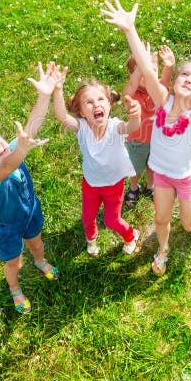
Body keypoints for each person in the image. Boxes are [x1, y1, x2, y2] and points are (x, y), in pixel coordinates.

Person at [101, 0, 191, 276]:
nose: (190, 78)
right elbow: (145, 66)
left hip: (185, 176)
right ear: (176, 78)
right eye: (185, 74)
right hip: (162, 173)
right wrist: (130, 30)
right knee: (161, 218)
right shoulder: (163, 100)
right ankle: (162, 249)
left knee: (188, 223)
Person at [0, 62, 64, 315]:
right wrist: (23, 149)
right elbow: (7, 167)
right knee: (14, 262)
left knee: (37, 244)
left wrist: (44, 95)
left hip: (30, 211)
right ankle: (15, 289)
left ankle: (40, 261)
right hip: (7, 226)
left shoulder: (10, 149)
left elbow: (32, 126)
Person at [53, 70, 143, 257]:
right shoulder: (81, 128)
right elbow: (61, 116)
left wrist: (135, 117)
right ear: (80, 112)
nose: (96, 105)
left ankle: (131, 235)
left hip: (113, 185)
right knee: (87, 218)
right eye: (89, 102)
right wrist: (57, 90)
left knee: (111, 221)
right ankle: (91, 239)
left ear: (109, 104)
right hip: (91, 184)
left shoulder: (115, 127)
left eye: (101, 99)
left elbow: (132, 127)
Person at [122, 44, 175, 206]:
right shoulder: (131, 93)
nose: (148, 74)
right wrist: (142, 64)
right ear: (132, 75)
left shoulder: (158, 89)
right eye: (142, 72)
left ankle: (151, 186)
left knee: (152, 167)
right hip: (137, 142)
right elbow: (131, 86)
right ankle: (133, 186)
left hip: (157, 141)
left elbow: (165, 80)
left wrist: (169, 66)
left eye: (152, 69)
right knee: (135, 169)